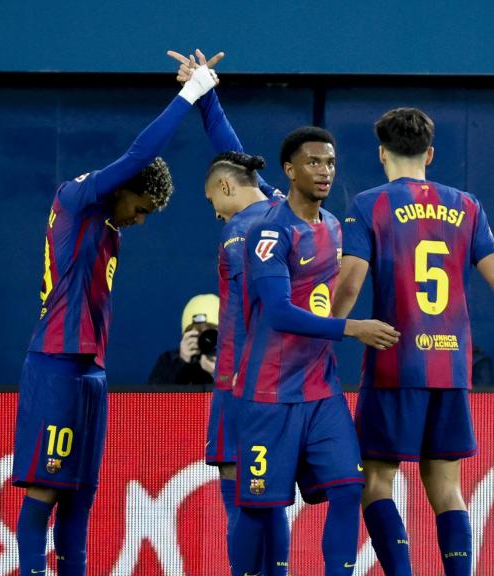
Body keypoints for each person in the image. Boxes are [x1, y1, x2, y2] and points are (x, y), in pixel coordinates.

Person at [331, 107, 494, 576]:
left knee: (376, 481)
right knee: (446, 487)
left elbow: (350, 284)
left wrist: (323, 333)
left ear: (381, 154)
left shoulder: (369, 204)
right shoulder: (465, 205)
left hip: (396, 363)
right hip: (452, 367)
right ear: (430, 154)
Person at [10, 58, 221, 576]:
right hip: (56, 362)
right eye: (141, 207)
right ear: (123, 187)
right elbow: (141, 152)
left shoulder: (109, 229)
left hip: (91, 372)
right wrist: (193, 93)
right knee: (45, 491)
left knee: (80, 496)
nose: (140, 219)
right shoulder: (78, 199)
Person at [231, 126, 400, 576]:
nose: (324, 171)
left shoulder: (332, 227)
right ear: (289, 170)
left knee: (349, 489)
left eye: (329, 162)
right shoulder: (270, 233)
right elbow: (280, 313)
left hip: (321, 391)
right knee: (261, 507)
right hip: (269, 394)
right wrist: (353, 328)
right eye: (313, 162)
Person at [168, 49, 290, 575]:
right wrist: (206, 93)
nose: (213, 210)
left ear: (222, 191)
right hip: (279, 378)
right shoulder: (282, 210)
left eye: (210, 199)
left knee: (237, 487)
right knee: (270, 492)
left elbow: (234, 170)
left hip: (239, 382)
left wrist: (201, 95)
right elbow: (238, 160)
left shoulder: (242, 232)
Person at [147, 293, 218, 386]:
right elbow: (155, 398)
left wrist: (217, 374)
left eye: (210, 331)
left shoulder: (237, 360)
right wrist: (182, 363)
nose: (205, 338)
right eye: (198, 331)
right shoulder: (169, 360)